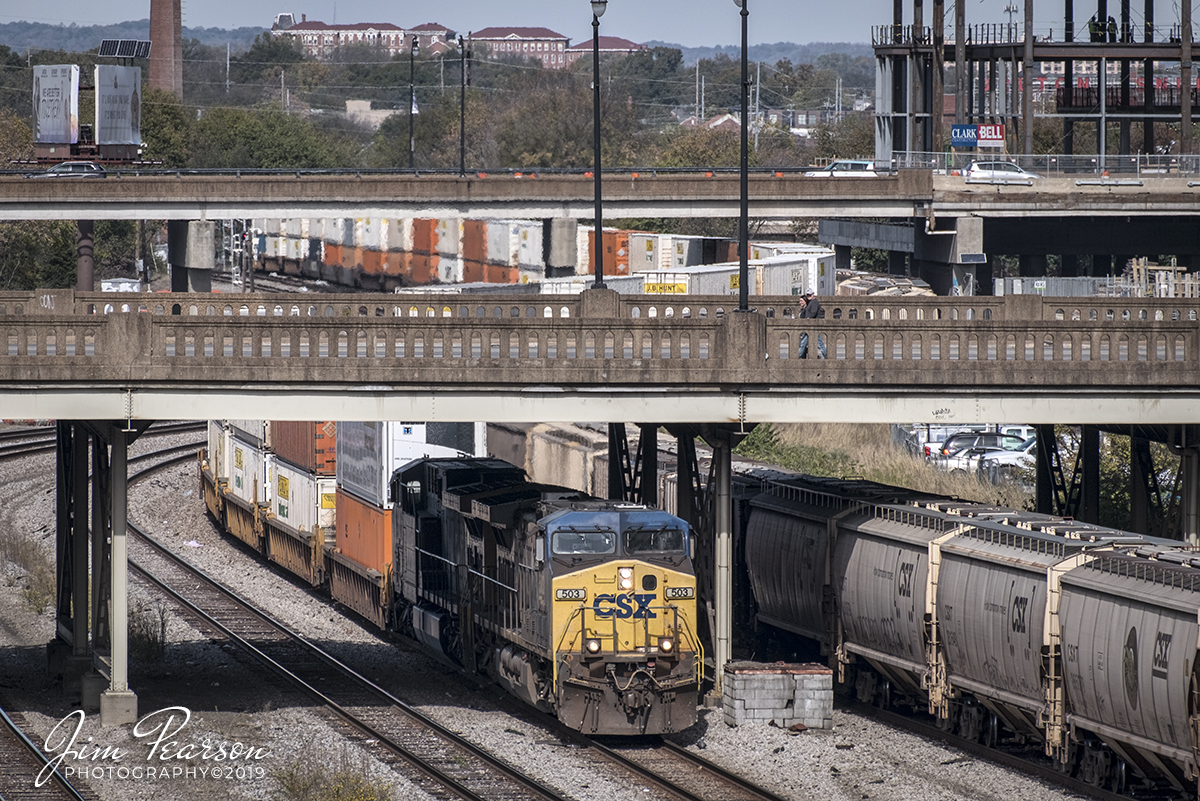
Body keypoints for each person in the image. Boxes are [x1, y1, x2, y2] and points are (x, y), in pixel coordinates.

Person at [798, 291, 826, 359]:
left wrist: (809, 318)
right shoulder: (808, 306)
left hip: (812, 327)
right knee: (804, 344)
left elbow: (813, 313)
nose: (809, 297)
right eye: (807, 295)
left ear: (813, 294)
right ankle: (800, 357)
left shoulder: (814, 303)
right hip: (809, 328)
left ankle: (796, 358)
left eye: (810, 295)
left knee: (819, 344)